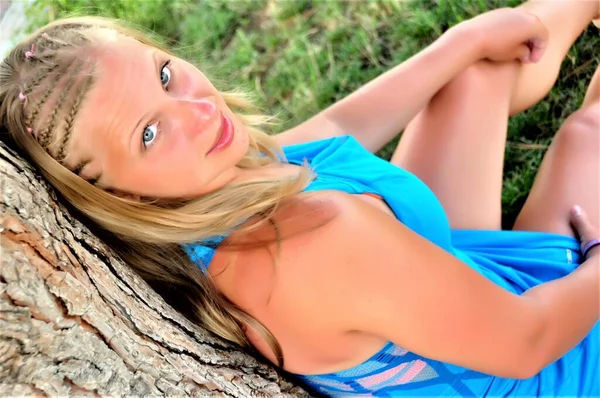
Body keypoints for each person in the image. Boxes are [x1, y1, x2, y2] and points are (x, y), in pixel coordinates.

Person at [0, 0, 598, 396]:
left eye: (164, 75)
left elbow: (340, 129)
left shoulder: (208, 187)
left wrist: (460, 41)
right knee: (585, 139)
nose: (199, 110)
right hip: (532, 359)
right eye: (149, 134)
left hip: (455, 282)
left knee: (474, 71)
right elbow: (527, 343)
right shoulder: (307, 242)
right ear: (112, 194)